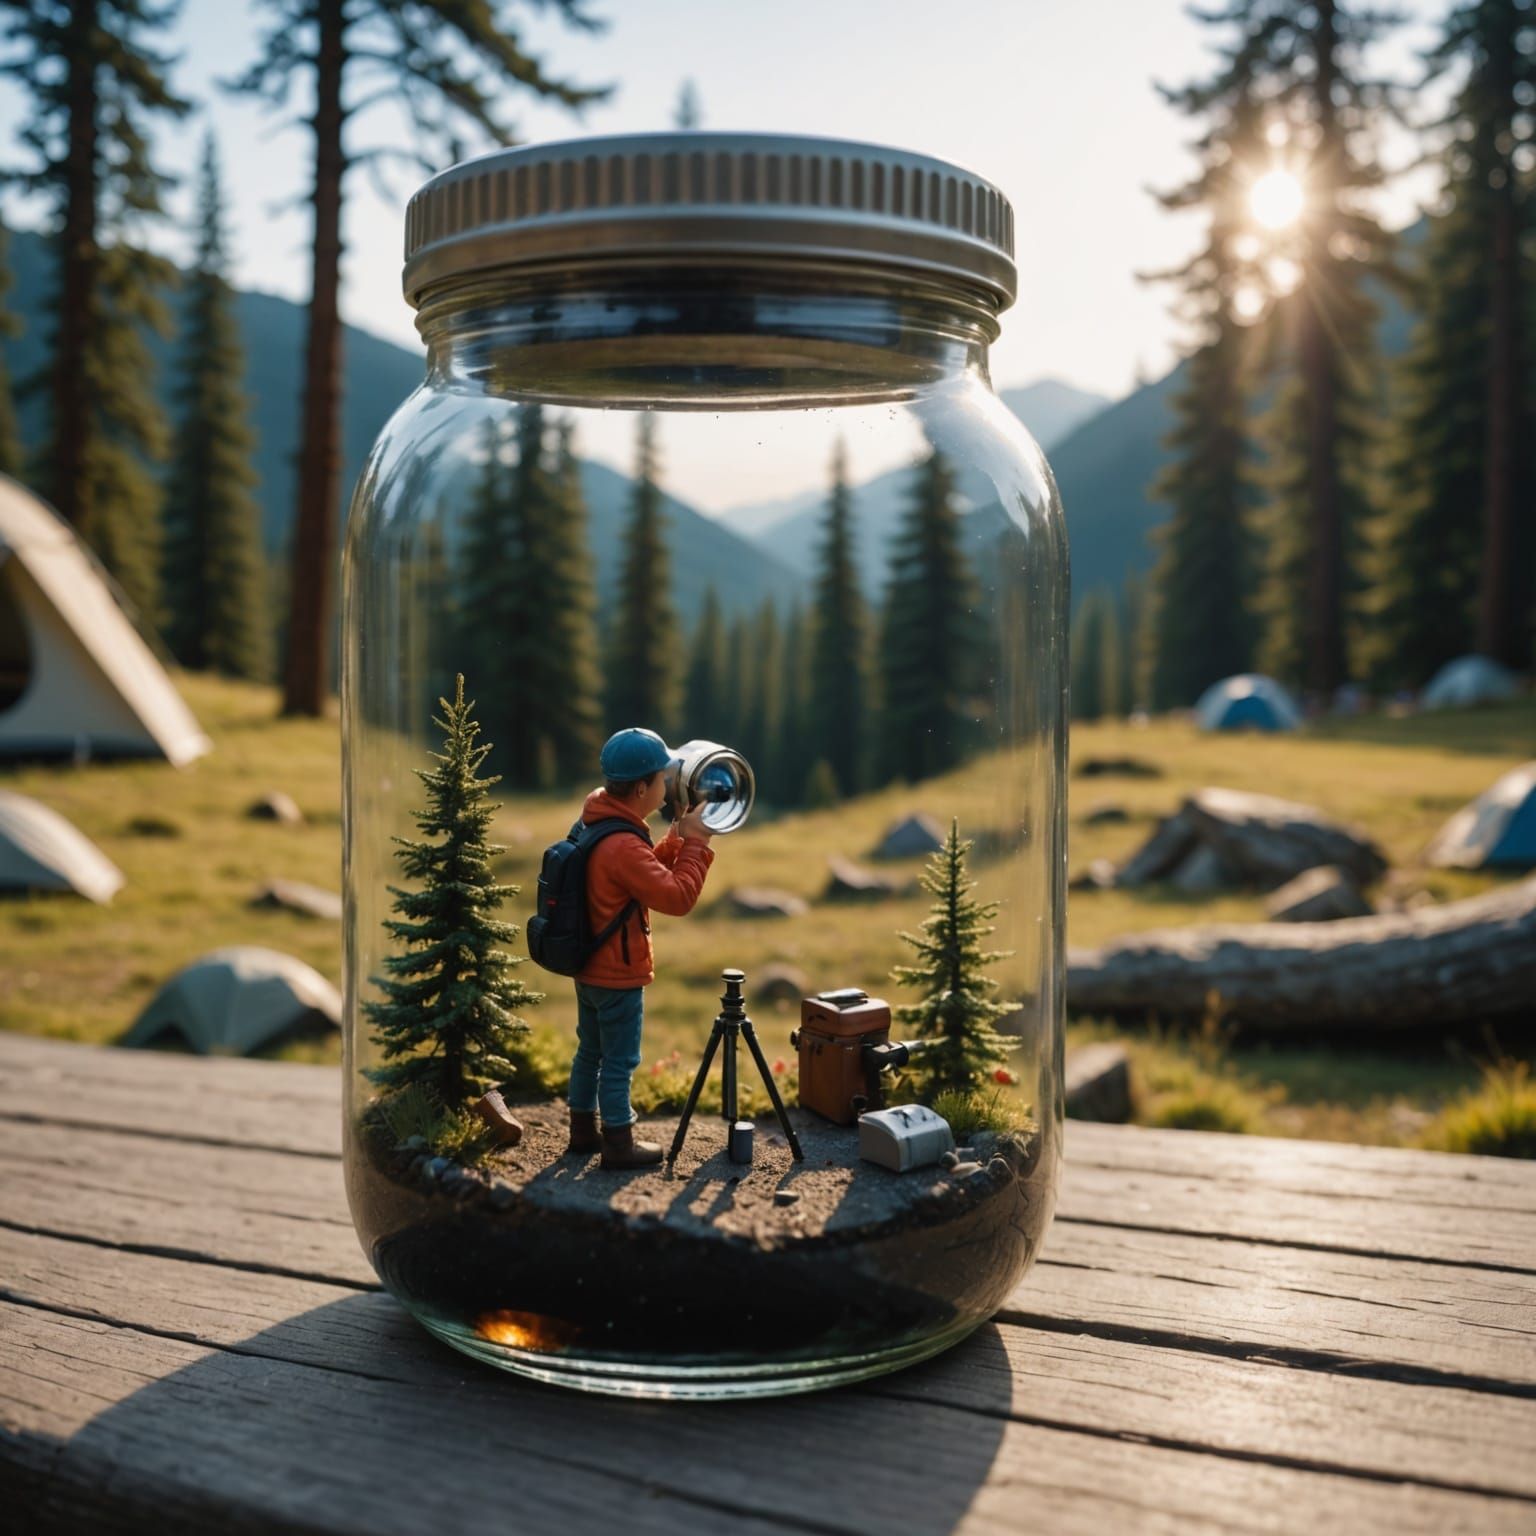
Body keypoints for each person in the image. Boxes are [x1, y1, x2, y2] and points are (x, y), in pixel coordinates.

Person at [568, 728, 716, 1169]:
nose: (668, 784)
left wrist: (674, 838)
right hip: (618, 974)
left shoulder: (599, 821)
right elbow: (676, 897)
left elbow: (638, 871)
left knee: (589, 1051)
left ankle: (582, 1130)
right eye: (661, 779)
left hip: (588, 966)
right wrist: (697, 846)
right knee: (619, 1061)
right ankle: (618, 1143)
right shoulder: (622, 844)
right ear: (640, 789)